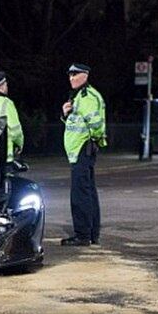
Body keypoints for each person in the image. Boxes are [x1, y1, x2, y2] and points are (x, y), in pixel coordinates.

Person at [60, 63, 106, 247]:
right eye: (70, 75)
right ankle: (91, 234)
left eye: (75, 75)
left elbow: (95, 124)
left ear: (85, 75)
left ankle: (82, 235)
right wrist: (65, 114)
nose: (71, 78)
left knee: (80, 194)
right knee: (88, 192)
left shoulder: (88, 96)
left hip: (83, 149)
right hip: (80, 150)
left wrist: (92, 140)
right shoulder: (79, 96)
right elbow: (76, 121)